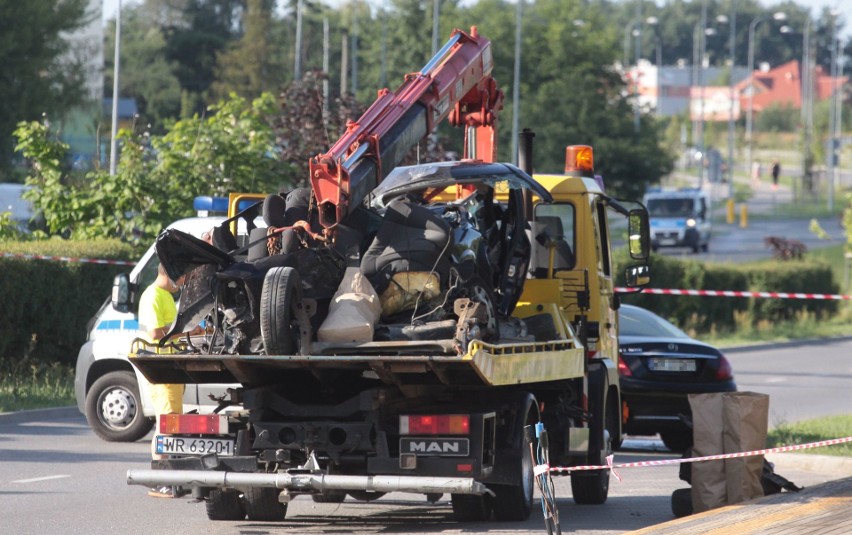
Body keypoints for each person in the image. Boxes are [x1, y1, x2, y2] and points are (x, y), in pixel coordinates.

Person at [139, 261, 201, 498]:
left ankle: (165, 477)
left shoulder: (164, 295)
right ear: (170, 275)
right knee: (166, 426)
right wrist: (186, 332)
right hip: (162, 369)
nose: (183, 283)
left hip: (169, 368)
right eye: (181, 277)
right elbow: (155, 332)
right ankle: (158, 480)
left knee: (168, 424)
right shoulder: (153, 296)